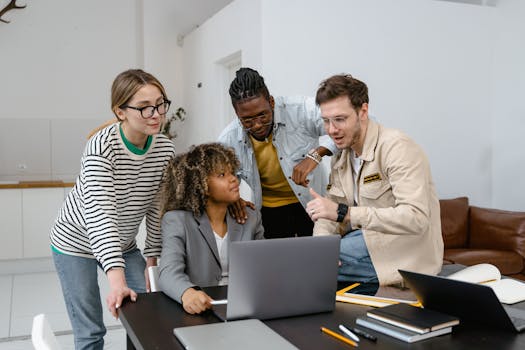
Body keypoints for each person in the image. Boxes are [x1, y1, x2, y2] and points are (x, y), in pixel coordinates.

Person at [50, 69, 176, 350]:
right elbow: (100, 218)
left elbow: (159, 210)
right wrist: (116, 281)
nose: (156, 114)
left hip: (125, 242)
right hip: (75, 243)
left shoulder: (165, 149)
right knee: (91, 332)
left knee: (148, 312)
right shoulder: (101, 148)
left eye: (160, 104)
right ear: (121, 111)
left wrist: (152, 260)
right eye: (144, 108)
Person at [307, 74, 443, 285]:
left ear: (363, 111)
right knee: (310, 260)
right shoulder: (341, 155)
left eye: (340, 119)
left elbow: (416, 218)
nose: (332, 130)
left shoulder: (397, 147)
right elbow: (329, 214)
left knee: (309, 270)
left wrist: (346, 213)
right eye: (326, 121)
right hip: (367, 242)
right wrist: (321, 248)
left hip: (406, 255)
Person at [218, 67, 337, 239]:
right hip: (270, 211)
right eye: (247, 120)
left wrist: (316, 155)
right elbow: (217, 177)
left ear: (271, 102)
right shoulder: (228, 139)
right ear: (237, 114)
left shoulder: (301, 110)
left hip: (313, 202)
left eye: (262, 115)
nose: (257, 125)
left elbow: (346, 126)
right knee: (278, 263)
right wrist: (230, 197)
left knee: (317, 259)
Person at [157, 143, 264, 314]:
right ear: (201, 184)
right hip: (202, 310)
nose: (233, 179)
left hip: (246, 307)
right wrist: (187, 293)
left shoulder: (250, 217)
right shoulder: (177, 220)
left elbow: (265, 266)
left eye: (232, 173)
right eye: (222, 175)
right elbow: (168, 273)